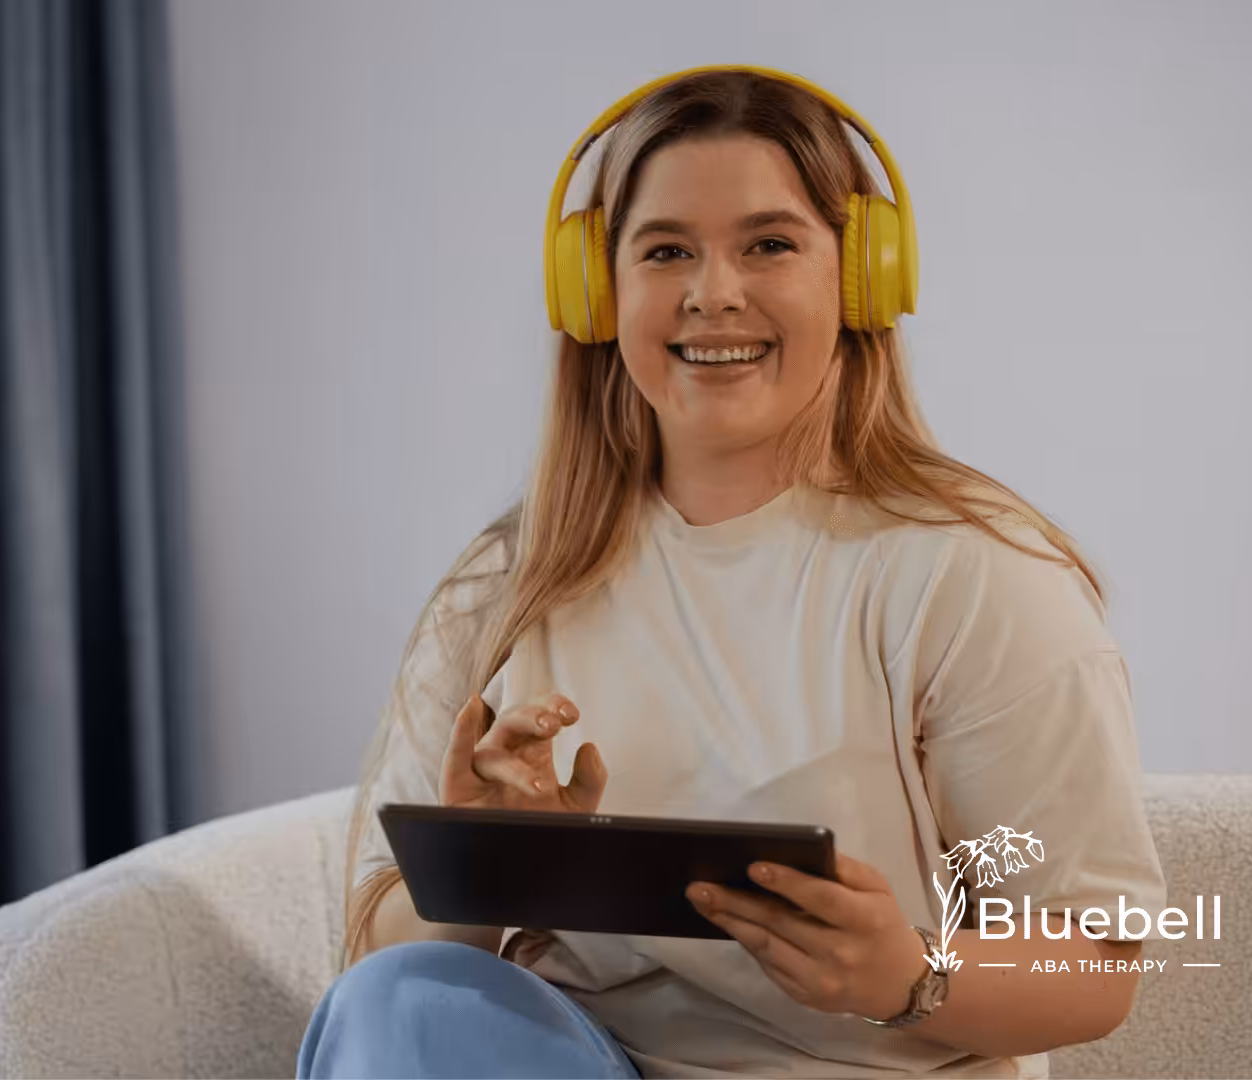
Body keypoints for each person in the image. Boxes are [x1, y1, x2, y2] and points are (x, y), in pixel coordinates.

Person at [298, 65, 1167, 1079]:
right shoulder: (505, 587)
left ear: (860, 278)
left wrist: (911, 976)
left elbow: (1096, 967)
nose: (714, 293)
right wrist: (489, 877)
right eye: (665, 250)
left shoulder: (969, 575)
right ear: (595, 293)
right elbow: (384, 992)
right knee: (398, 999)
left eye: (769, 244)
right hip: (574, 1061)